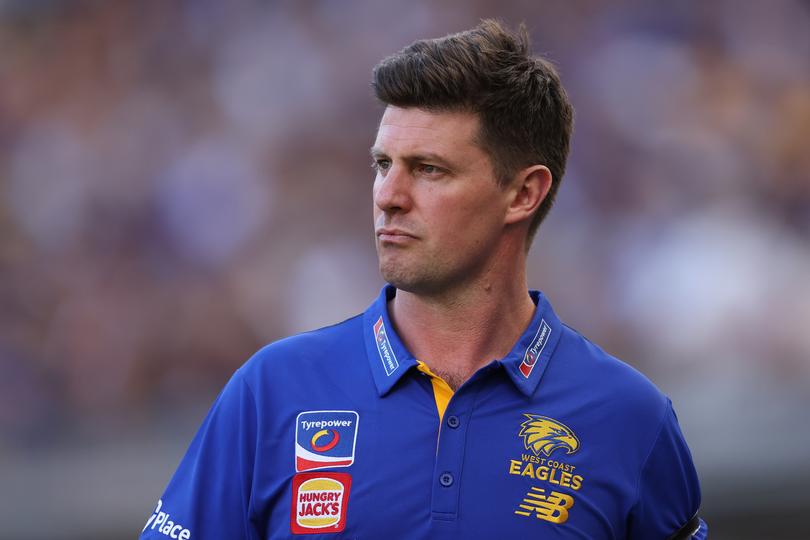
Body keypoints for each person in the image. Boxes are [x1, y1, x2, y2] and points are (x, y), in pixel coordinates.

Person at [140, 20, 706, 539]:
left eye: (429, 169)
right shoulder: (271, 392)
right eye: (383, 165)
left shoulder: (630, 418)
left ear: (523, 193)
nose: (388, 196)